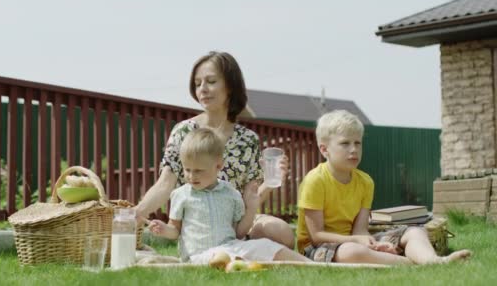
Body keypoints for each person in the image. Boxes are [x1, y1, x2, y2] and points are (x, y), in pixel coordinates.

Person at [135, 51, 295, 248]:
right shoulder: (184, 131)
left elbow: (251, 197)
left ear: (230, 86)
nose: (202, 89)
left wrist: (271, 183)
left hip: (238, 223)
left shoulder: (248, 139)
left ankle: (240, 247)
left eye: (211, 81)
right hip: (200, 223)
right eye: (197, 83)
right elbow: (164, 185)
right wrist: (137, 212)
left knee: (282, 233)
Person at [296, 110, 472, 265]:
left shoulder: (366, 182)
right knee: (350, 251)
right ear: (324, 149)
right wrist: (358, 241)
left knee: (414, 232)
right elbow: (316, 236)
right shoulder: (315, 181)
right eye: (345, 143)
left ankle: (433, 261)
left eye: (358, 143)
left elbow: (360, 230)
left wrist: (371, 243)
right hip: (317, 249)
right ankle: (410, 263)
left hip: (354, 240)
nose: (354, 149)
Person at [148, 128, 309, 263]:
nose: (191, 176)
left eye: (198, 171)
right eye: (187, 169)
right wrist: (164, 229)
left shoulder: (230, 193)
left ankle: (313, 265)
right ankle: (239, 263)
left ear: (218, 165)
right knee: (226, 257)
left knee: (265, 245)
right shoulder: (181, 194)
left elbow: (239, 232)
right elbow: (175, 230)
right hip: (198, 256)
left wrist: (252, 207)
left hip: (231, 247)